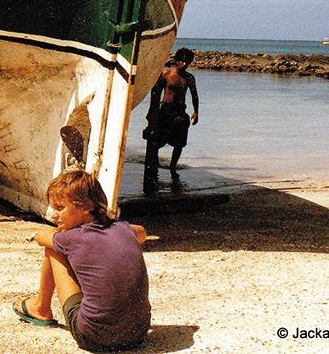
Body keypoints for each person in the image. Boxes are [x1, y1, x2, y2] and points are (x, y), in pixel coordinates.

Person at [13, 170, 150, 351]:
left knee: (53, 248)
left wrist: (62, 234)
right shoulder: (123, 229)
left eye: (60, 208)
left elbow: (41, 236)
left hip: (95, 339)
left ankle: (41, 308)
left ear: (86, 208)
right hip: (137, 334)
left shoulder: (72, 239)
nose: (54, 215)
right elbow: (141, 232)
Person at [143, 48, 199, 192]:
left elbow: (194, 95)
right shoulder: (166, 74)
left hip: (180, 114)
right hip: (165, 113)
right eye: (183, 62)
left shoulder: (189, 78)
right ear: (177, 61)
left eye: (188, 62)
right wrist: (151, 114)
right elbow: (155, 95)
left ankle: (172, 167)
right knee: (157, 142)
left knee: (179, 144)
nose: (185, 65)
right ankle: (153, 167)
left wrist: (196, 112)